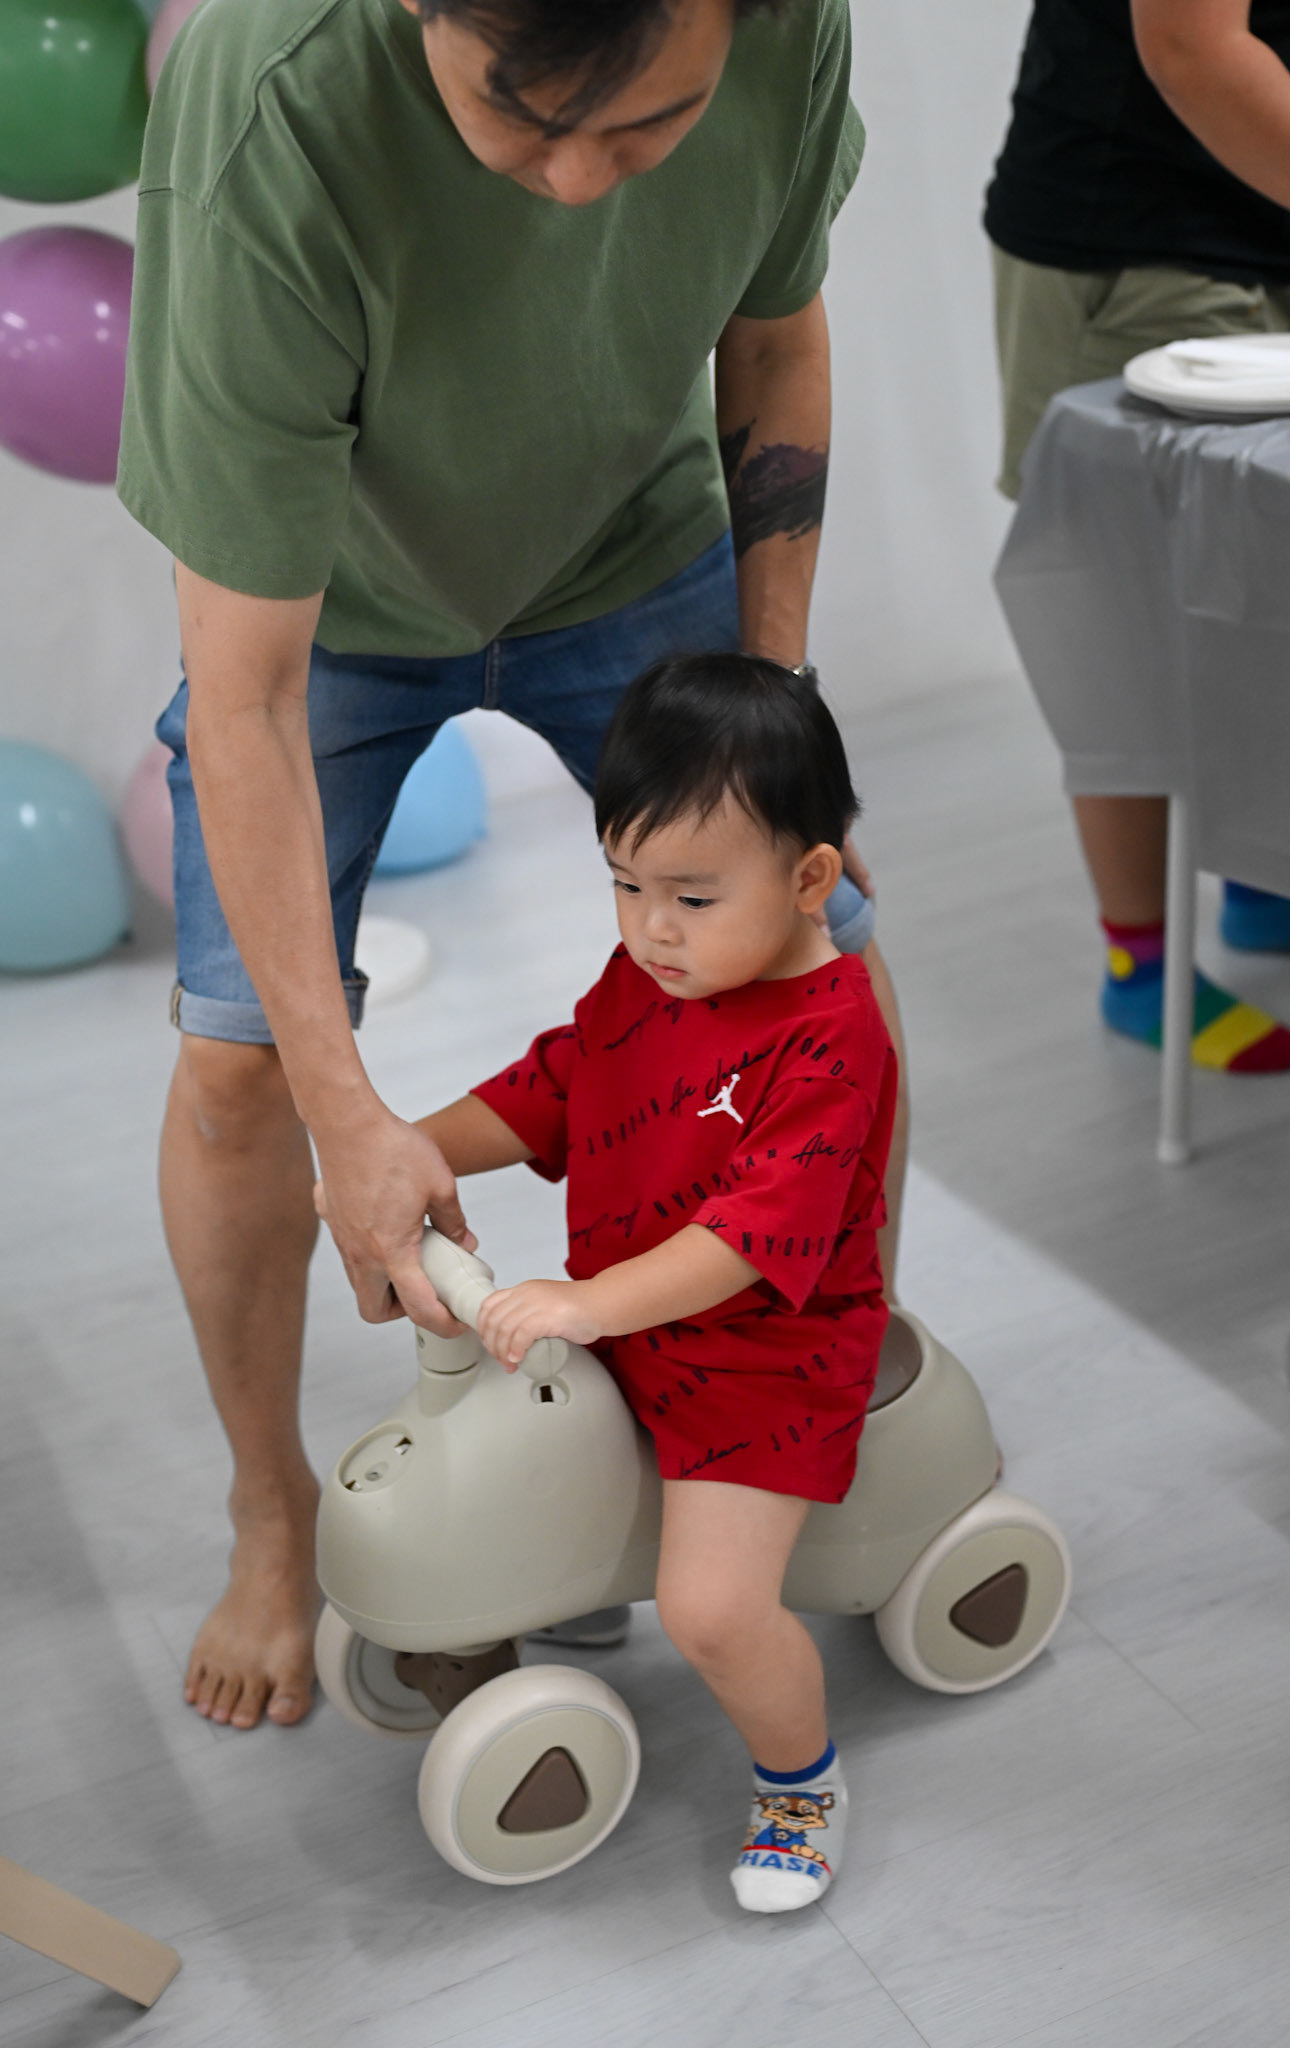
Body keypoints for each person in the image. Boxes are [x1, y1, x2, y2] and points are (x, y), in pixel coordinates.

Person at [115, 0, 914, 1732]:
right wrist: (350, 1115)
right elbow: (245, 699)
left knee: (820, 954)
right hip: (327, 609)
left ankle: (803, 1401)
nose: (574, 186)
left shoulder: (792, 25)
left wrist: (767, 730)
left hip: (635, 541)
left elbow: (774, 338)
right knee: (241, 1069)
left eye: (642, 131)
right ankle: (272, 1512)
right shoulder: (271, 116)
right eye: (523, 120)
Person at [401, 653, 897, 1913]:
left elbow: (743, 1239)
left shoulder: (831, 1038)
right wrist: (411, 1147)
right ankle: (570, 1572)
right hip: (638, 1330)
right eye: (624, 884)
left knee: (714, 1609)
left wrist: (583, 1301)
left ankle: (802, 1781)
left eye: (690, 895)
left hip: (762, 1371)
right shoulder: (660, 973)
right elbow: (559, 1080)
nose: (650, 926)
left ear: (810, 880)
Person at [985, 0, 1290, 1076]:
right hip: (1139, 237)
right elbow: (1191, 48)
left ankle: (1270, 889)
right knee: (1130, 627)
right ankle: (1140, 961)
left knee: (1289, 590)